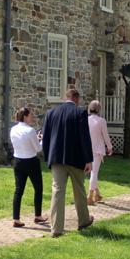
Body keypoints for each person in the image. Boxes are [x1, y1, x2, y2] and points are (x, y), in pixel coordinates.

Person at [42, 89, 94, 237]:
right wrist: (88, 159)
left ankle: (56, 229)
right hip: (76, 158)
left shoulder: (51, 113)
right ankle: (83, 220)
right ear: (76, 98)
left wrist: (47, 156)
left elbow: (45, 137)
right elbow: (85, 138)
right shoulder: (80, 113)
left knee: (57, 191)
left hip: (56, 158)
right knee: (79, 190)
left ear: (66, 97)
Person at [9, 107, 48, 228]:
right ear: (25, 116)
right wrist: (41, 140)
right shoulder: (30, 130)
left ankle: (16, 218)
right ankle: (37, 215)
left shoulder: (13, 129)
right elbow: (38, 149)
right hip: (31, 161)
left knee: (18, 190)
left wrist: (36, 139)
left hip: (18, 161)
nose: (33, 117)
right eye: (31, 115)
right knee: (38, 188)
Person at [87, 100, 113, 205]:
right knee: (94, 173)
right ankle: (89, 196)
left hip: (87, 149)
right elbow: (105, 136)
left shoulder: (86, 120)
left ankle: (97, 194)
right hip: (97, 149)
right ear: (99, 109)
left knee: (93, 173)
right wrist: (110, 147)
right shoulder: (101, 121)